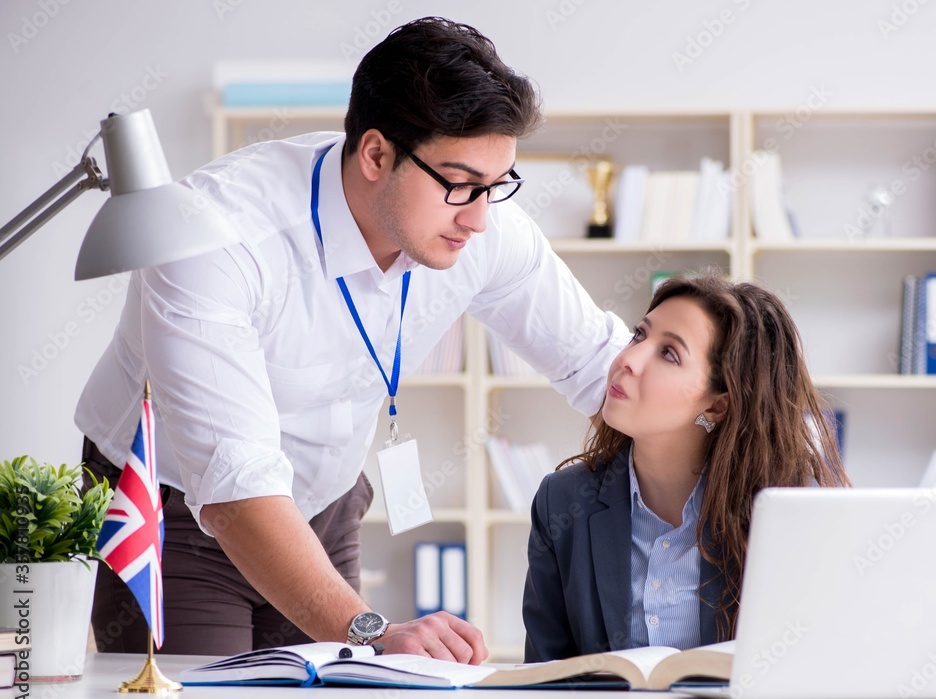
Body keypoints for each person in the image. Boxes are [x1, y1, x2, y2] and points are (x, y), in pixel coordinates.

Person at [76, 16, 629, 663]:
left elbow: (601, 365)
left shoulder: (480, 224)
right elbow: (234, 489)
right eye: (460, 184)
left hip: (326, 501)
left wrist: (734, 442)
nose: (481, 217)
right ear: (375, 155)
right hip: (170, 513)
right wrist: (371, 629)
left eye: (496, 186)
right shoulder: (218, 236)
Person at [521, 271, 849, 662]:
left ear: (716, 404)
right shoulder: (561, 503)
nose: (627, 360)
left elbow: (813, 671)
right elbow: (544, 684)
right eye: (639, 335)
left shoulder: (789, 511)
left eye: (669, 353)